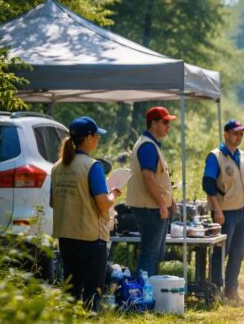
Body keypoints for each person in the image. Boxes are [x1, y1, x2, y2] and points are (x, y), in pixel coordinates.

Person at [51, 116, 121, 312]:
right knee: (92, 293)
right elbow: (103, 204)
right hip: (91, 237)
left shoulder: (57, 167)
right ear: (89, 138)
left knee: (71, 292)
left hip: (66, 236)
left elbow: (52, 202)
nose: (98, 139)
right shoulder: (92, 166)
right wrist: (114, 193)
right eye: (97, 136)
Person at [202, 120, 244, 304]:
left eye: (241, 134)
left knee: (237, 253)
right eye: (235, 133)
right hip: (225, 212)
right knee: (221, 254)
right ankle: (215, 292)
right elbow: (208, 184)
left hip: (241, 210)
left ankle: (231, 292)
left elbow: (242, 181)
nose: (238, 137)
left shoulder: (242, 155)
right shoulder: (215, 156)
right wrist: (217, 210)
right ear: (226, 134)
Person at [126, 106, 176, 276]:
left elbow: (160, 179)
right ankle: (142, 296)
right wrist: (163, 204)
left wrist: (171, 202)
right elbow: (148, 177)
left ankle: (148, 293)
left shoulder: (151, 144)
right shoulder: (148, 146)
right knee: (150, 254)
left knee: (155, 253)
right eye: (165, 122)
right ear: (153, 123)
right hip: (151, 208)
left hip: (153, 206)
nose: (168, 126)